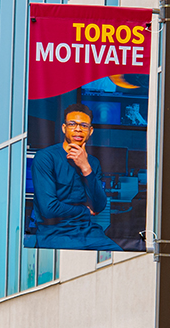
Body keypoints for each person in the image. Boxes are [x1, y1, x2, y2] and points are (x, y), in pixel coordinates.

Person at [30, 104, 120, 250]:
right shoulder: (46, 157)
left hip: (87, 231)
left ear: (90, 131)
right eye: (72, 124)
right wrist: (84, 211)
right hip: (55, 233)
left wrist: (85, 167)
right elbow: (49, 209)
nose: (78, 129)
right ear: (64, 128)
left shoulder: (93, 163)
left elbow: (99, 206)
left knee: (118, 255)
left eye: (83, 125)